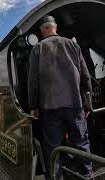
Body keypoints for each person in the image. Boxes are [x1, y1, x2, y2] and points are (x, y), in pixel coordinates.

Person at [27, 15, 93, 179]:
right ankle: (87, 175)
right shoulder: (72, 45)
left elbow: (33, 82)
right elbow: (85, 77)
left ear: (43, 30)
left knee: (52, 147)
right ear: (55, 27)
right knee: (81, 144)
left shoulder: (37, 49)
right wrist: (87, 104)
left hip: (50, 108)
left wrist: (33, 106)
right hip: (74, 104)